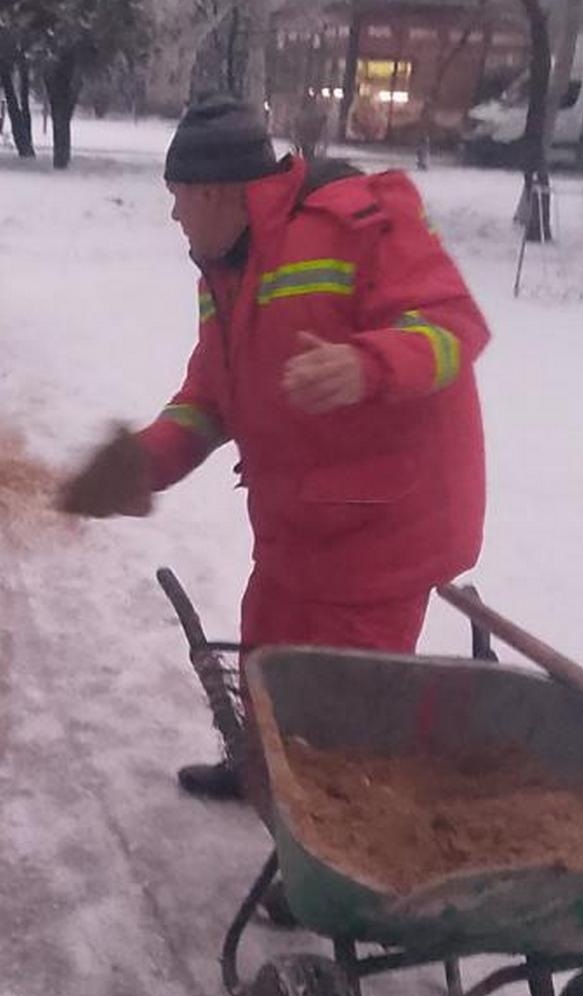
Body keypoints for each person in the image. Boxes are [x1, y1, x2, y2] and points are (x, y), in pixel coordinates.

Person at [58, 95, 490, 802]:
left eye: (176, 199)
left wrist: (367, 364)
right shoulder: (222, 270)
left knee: (345, 696)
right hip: (302, 513)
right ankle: (265, 773)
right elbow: (209, 396)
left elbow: (453, 328)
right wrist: (144, 462)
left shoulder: (357, 220)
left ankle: (327, 832)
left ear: (214, 191)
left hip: (388, 521)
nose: (172, 216)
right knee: (268, 647)